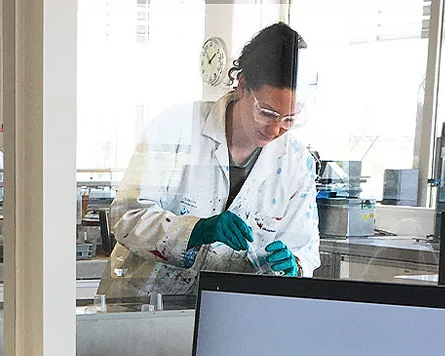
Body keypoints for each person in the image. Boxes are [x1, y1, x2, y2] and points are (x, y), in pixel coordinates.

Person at [98, 23, 320, 300]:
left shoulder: (296, 162)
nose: (276, 129)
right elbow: (126, 216)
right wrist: (196, 230)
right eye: (267, 112)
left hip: (229, 311)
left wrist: (294, 265)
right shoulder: (176, 128)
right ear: (242, 87)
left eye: (289, 119)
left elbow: (305, 248)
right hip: (141, 306)